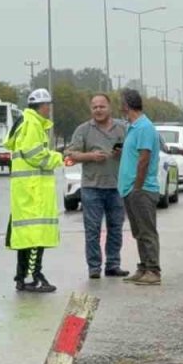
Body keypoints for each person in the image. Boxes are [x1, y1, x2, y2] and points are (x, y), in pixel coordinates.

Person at [5, 88, 64, 293]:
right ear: (43, 106)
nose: (50, 110)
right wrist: (59, 158)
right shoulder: (31, 124)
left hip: (28, 189)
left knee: (27, 235)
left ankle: (23, 277)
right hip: (33, 190)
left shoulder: (27, 121)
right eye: (49, 105)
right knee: (34, 235)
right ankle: (32, 277)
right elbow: (35, 156)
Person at [65, 93, 129, 280]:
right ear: (91, 110)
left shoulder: (122, 128)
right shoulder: (83, 130)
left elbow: (134, 150)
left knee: (116, 227)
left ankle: (113, 264)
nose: (98, 110)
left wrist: (122, 152)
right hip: (92, 187)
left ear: (109, 108)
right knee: (92, 229)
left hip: (117, 186)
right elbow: (69, 154)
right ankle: (94, 267)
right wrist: (90, 156)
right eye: (95, 107)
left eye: (102, 106)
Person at [118, 89, 163, 286]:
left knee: (147, 231)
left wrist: (137, 187)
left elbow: (144, 159)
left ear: (127, 105)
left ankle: (153, 270)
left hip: (142, 190)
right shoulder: (133, 127)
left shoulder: (144, 127)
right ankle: (143, 266)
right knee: (139, 232)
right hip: (130, 189)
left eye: (122, 103)